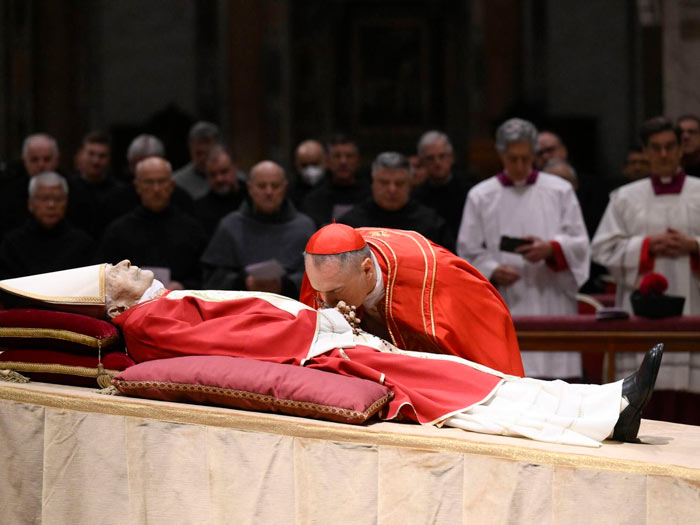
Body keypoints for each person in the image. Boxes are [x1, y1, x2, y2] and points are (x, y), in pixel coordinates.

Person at [458, 118, 590, 380]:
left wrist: (551, 249)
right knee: (512, 377)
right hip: (508, 297)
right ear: (500, 153)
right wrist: (493, 269)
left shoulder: (559, 190)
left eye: (525, 158)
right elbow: (467, 250)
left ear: (534, 154)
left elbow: (580, 242)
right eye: (512, 158)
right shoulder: (481, 195)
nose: (519, 166)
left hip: (551, 295)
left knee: (558, 383)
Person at [299, 223, 524, 376]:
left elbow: (485, 323)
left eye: (336, 291)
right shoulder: (326, 270)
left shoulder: (434, 275)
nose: (325, 301)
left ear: (367, 270)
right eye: (319, 290)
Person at [591, 116, 700, 422]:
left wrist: (694, 246)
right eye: (656, 148)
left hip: (693, 307)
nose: (663, 155)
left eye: (669, 147)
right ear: (646, 152)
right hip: (641, 313)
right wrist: (646, 246)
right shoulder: (625, 197)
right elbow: (601, 249)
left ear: (681, 149)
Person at [200, 160, 315, 297]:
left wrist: (286, 285)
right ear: (250, 188)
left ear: (285, 187)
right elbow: (212, 278)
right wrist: (243, 283)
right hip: (239, 309)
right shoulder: (230, 226)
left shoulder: (304, 227)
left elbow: (319, 278)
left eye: (275, 186)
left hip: (293, 310)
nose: (269, 192)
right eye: (262, 186)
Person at [98, 157, 207, 289]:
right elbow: (105, 277)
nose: (156, 189)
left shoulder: (192, 230)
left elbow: (205, 276)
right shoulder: (118, 232)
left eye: (161, 181)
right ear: (137, 187)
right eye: (149, 182)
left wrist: (183, 286)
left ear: (172, 185)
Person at [338, 152, 454, 251]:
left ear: (410, 184)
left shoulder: (432, 224)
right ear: (373, 183)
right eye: (384, 182)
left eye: (399, 183)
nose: (392, 189)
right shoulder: (351, 225)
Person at [0, 172, 93, 278]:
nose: (51, 205)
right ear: (30, 204)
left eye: (58, 199)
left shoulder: (82, 244)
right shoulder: (12, 244)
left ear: (66, 202)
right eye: (44, 198)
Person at [412, 131, 475, 237]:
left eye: (442, 156)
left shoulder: (469, 192)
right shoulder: (416, 197)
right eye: (430, 158)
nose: (437, 163)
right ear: (422, 162)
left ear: (451, 158)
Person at [0, 133, 62, 241]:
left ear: (56, 160)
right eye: (34, 160)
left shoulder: (71, 190)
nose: (41, 165)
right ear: (24, 161)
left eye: (47, 159)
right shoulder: (8, 192)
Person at [66, 131, 125, 240]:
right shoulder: (67, 189)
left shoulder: (119, 192)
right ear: (81, 154)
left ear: (109, 159)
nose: (96, 161)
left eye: (102, 156)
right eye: (91, 154)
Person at [301, 134, 370, 226]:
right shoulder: (314, 199)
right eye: (337, 156)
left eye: (349, 156)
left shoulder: (371, 196)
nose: (343, 162)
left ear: (358, 160)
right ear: (328, 161)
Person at [193, 145, 245, 237]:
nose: (219, 179)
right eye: (212, 174)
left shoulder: (251, 199)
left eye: (224, 172)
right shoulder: (198, 209)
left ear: (235, 168)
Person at [173, 121, 223, 200]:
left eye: (207, 153)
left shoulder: (234, 179)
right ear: (190, 150)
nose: (203, 158)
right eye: (199, 153)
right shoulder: (177, 183)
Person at [290, 139, 326, 207]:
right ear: (296, 164)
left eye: (315, 164)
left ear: (325, 162)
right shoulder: (290, 194)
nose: (310, 170)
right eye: (304, 165)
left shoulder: (336, 188)